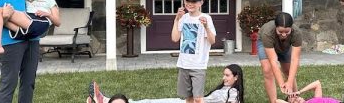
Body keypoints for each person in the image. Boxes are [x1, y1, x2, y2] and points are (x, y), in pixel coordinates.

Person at [87, 64, 244, 103]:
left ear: (236, 77)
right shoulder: (225, 88)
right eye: (224, 75)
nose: (224, 78)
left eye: (227, 75)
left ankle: (106, 100)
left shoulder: (233, 92)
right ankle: (107, 100)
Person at [170, 0, 217, 103]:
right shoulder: (183, 18)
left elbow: (212, 41)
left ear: (201, 2)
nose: (190, 4)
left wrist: (206, 27)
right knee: (188, 97)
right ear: (184, 2)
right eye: (187, 1)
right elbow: (175, 38)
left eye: (194, 1)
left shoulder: (206, 18)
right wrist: (176, 20)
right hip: (184, 63)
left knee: (198, 98)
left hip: (198, 65)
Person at [258, 12, 303, 103]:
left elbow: (295, 59)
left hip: (285, 45)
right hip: (265, 43)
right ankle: (274, 101)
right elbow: (273, 61)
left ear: (291, 28)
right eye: (280, 31)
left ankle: (295, 98)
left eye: (287, 32)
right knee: (267, 70)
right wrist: (281, 84)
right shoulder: (267, 33)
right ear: (275, 27)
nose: (283, 34)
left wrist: (289, 82)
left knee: (288, 70)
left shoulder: (296, 33)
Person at [275, 80, 344, 103]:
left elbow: (317, 83)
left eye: (296, 98)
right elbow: (277, 101)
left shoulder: (316, 99)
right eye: (294, 101)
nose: (296, 99)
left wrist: (299, 91)